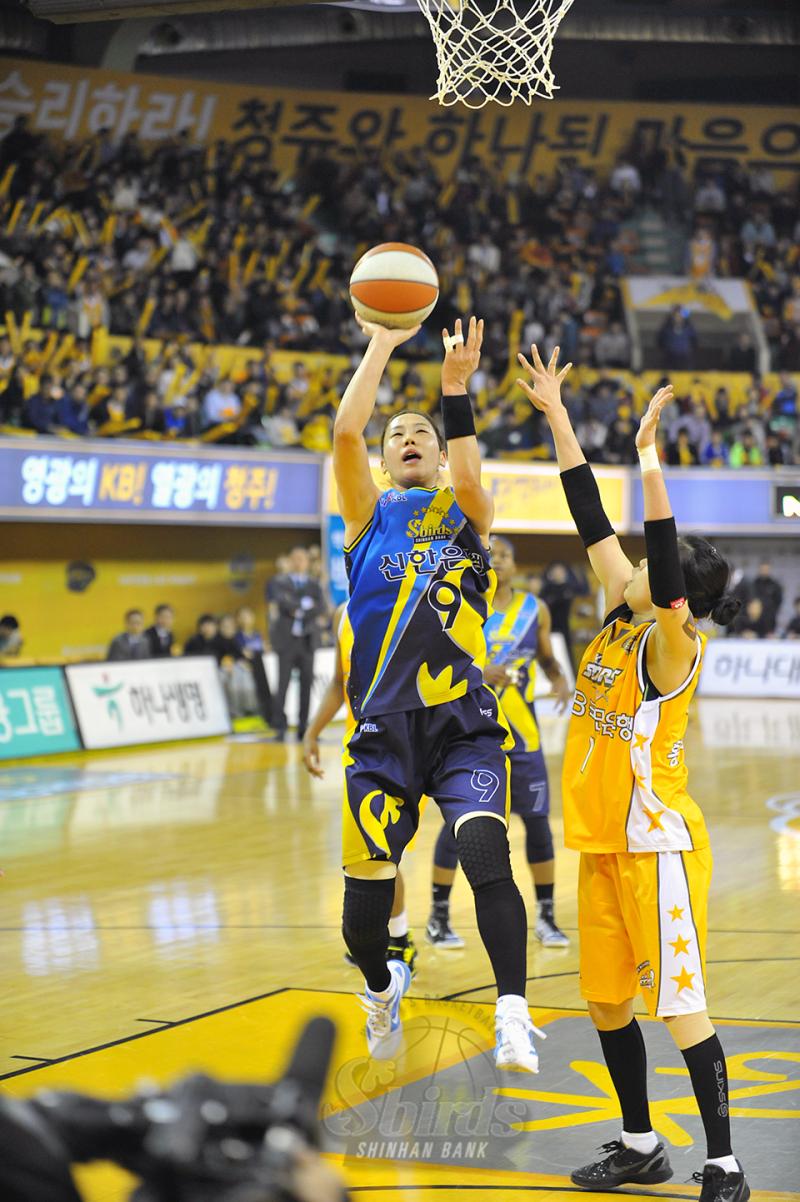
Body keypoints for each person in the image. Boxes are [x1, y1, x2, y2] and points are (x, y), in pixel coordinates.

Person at [517, 344, 749, 1202]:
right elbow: (587, 514)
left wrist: (650, 456)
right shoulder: (625, 610)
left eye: (653, 563)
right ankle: (640, 1144)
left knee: (681, 1009)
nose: (633, 563)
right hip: (602, 843)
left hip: (658, 848)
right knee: (607, 1004)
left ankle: (724, 1165)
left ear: (676, 589)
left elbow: (657, 547)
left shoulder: (673, 643)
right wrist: (559, 417)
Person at [333, 312, 543, 1072]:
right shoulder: (366, 517)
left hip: (462, 727)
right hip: (381, 735)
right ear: (386, 459)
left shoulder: (466, 513)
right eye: (398, 434)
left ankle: (513, 1012)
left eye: (422, 431)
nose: (409, 438)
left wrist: (456, 391)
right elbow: (345, 433)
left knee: (486, 852)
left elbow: (473, 476)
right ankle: (381, 986)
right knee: (361, 920)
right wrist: (383, 343)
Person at [428, 535, 573, 949]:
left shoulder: (535, 609)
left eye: (506, 555)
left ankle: (546, 916)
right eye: (492, 555)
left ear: (515, 563)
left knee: (538, 824)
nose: (499, 561)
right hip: (472, 737)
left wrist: (559, 678)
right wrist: (479, 672)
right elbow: (438, 664)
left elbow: (546, 657)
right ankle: (439, 916)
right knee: (459, 825)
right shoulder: (459, 605)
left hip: (523, 735)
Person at [302, 603, 417, 976]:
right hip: (363, 751)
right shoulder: (343, 614)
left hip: (407, 745)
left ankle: (401, 938)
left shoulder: (409, 595)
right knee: (373, 852)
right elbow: (340, 682)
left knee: (384, 852)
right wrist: (312, 732)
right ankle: (394, 936)